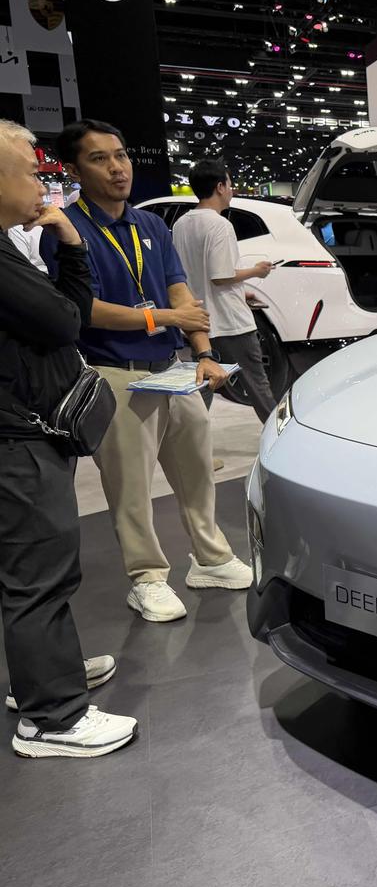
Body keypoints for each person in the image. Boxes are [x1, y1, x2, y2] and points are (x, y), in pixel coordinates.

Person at [40, 120, 252, 623]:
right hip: (113, 372)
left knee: (196, 469)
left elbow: (180, 291)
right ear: (74, 171)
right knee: (130, 485)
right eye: (99, 159)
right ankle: (147, 578)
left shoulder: (151, 226)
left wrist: (203, 352)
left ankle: (210, 558)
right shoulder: (67, 230)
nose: (117, 168)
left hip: (172, 369)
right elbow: (84, 309)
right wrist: (165, 318)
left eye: (121, 155)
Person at [0, 119, 136, 758]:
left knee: (30, 571)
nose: (43, 186)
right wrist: (75, 247)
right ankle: (51, 718)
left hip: (23, 434)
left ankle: (44, 677)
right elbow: (64, 319)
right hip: (18, 440)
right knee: (39, 572)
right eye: (32, 173)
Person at [171, 159, 277, 423]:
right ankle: (281, 438)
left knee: (203, 388)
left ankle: (194, 442)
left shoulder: (182, 224)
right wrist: (256, 271)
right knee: (259, 388)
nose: (231, 190)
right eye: (229, 184)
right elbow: (220, 276)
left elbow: (193, 274)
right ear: (219, 187)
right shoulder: (220, 225)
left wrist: (241, 292)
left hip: (200, 324)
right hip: (231, 323)